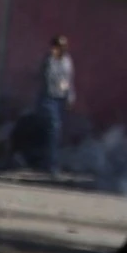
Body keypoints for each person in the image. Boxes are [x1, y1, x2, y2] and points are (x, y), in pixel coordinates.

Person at [37, 34, 75, 164]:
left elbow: (68, 80)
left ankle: (50, 161)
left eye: (64, 47)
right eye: (59, 47)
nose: (62, 49)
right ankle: (51, 164)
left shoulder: (67, 61)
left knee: (56, 131)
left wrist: (70, 97)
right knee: (54, 127)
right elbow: (47, 77)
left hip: (61, 99)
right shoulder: (49, 61)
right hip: (48, 98)